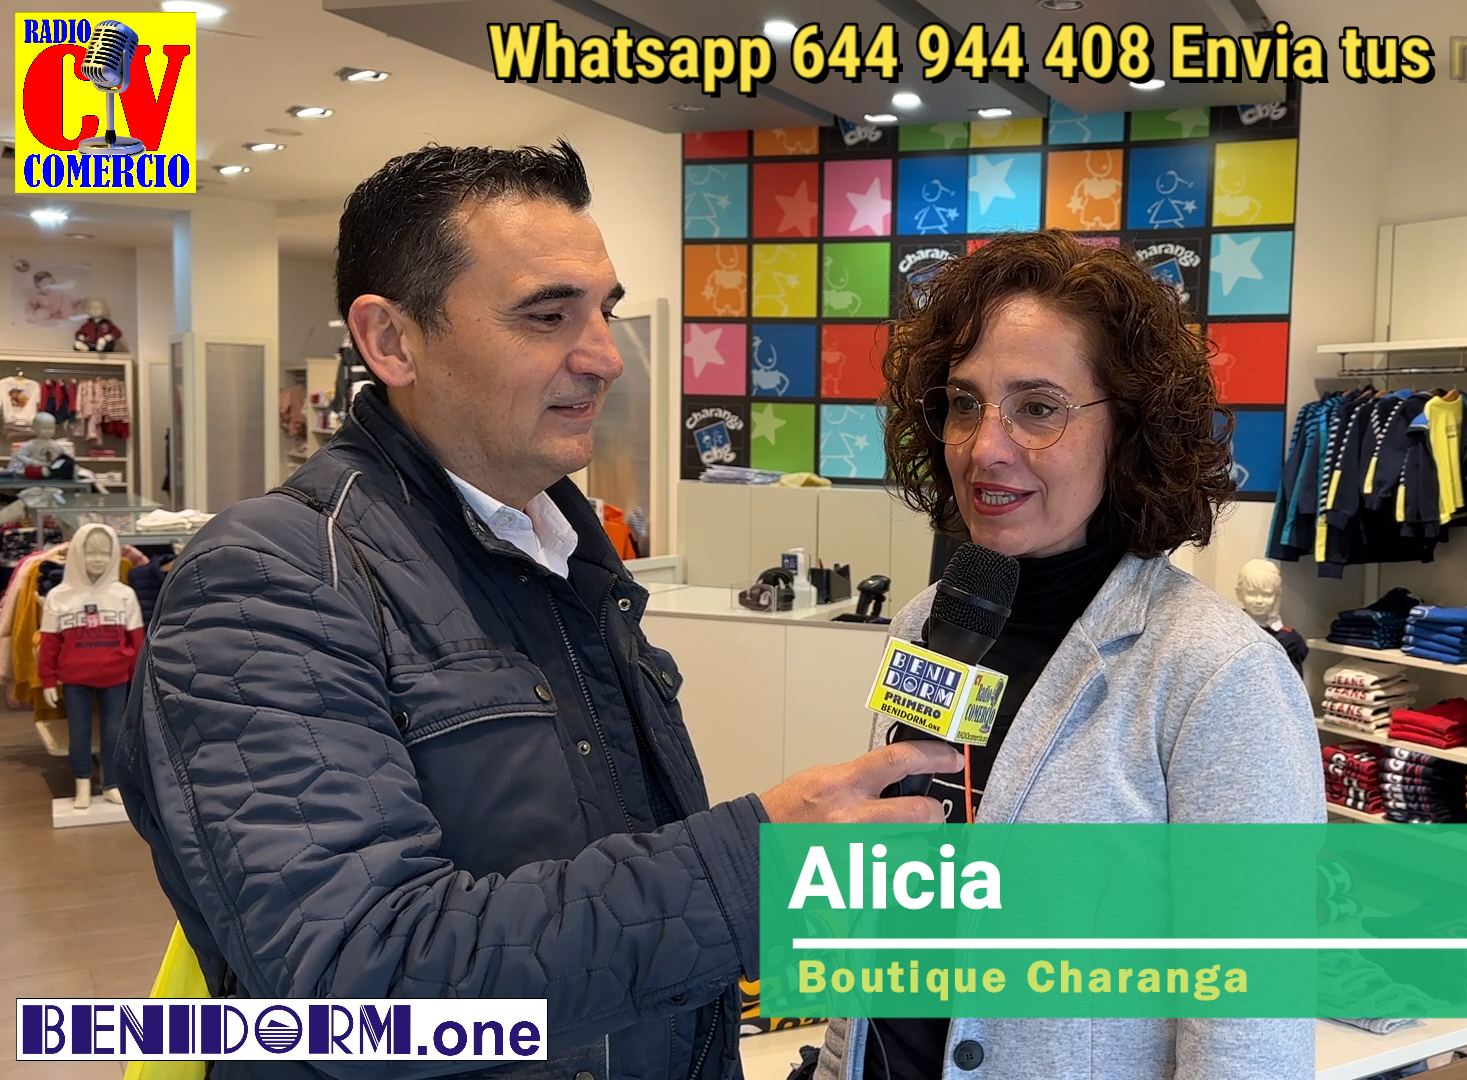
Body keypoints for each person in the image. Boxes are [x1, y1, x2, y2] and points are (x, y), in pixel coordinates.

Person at [116, 141, 959, 1080]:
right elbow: (360, 985)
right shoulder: (269, 579)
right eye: (547, 315)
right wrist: (750, 870)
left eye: (605, 311)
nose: (605, 357)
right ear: (391, 341)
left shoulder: (566, 558)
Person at [812, 230, 1323, 1080]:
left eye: (1039, 408)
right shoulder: (928, 621)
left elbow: (1248, 1025)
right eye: (965, 403)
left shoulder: (1215, 674)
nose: (985, 447)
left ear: (1128, 430)